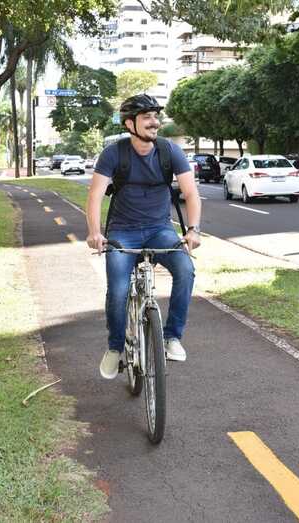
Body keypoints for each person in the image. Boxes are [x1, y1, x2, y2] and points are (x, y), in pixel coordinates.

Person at [86, 94, 202, 379]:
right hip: (122, 232)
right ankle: (115, 348)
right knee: (117, 290)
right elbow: (95, 195)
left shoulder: (169, 151)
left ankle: (171, 337)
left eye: (155, 116)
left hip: (160, 230)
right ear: (130, 124)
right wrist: (95, 233)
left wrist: (193, 229)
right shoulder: (114, 153)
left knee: (186, 270)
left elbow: (190, 193)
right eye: (147, 117)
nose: (154, 122)